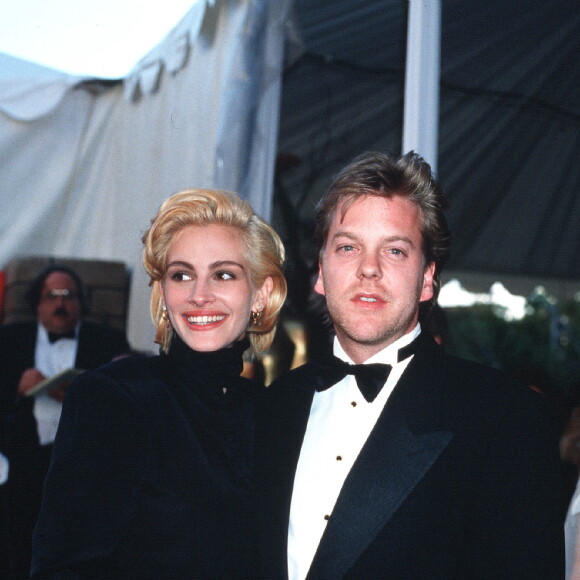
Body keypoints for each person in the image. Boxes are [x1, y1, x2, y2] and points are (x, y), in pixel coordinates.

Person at [253, 151, 569, 580]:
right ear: (321, 273)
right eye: (348, 247)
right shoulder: (271, 408)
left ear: (426, 280)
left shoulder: (505, 417)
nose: (369, 269)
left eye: (395, 251)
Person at [31, 189, 287, 579]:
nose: (199, 295)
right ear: (163, 294)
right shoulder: (115, 398)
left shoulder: (275, 413)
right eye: (181, 275)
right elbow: (65, 566)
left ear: (260, 293)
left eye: (223, 274)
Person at [0, 264, 130, 580]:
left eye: (68, 296)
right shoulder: (10, 339)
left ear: (81, 303)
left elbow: (127, 396)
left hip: (83, 458)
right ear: (37, 304)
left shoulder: (107, 341)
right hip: (24, 457)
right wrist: (15, 386)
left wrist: (102, 385)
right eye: (52, 296)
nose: (60, 304)